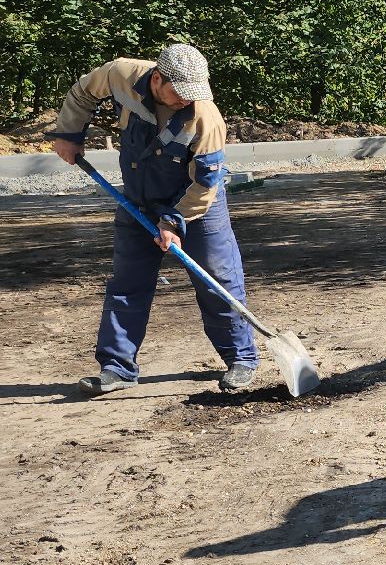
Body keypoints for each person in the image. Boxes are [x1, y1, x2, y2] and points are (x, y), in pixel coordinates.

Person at [47, 44, 260, 395]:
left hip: (195, 205)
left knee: (218, 281)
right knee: (127, 284)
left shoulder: (205, 119)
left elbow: (205, 185)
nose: (186, 101)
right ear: (158, 79)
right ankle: (117, 369)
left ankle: (241, 358)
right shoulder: (120, 74)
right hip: (137, 201)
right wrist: (69, 134)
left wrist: (174, 223)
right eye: (180, 93)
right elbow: (83, 93)